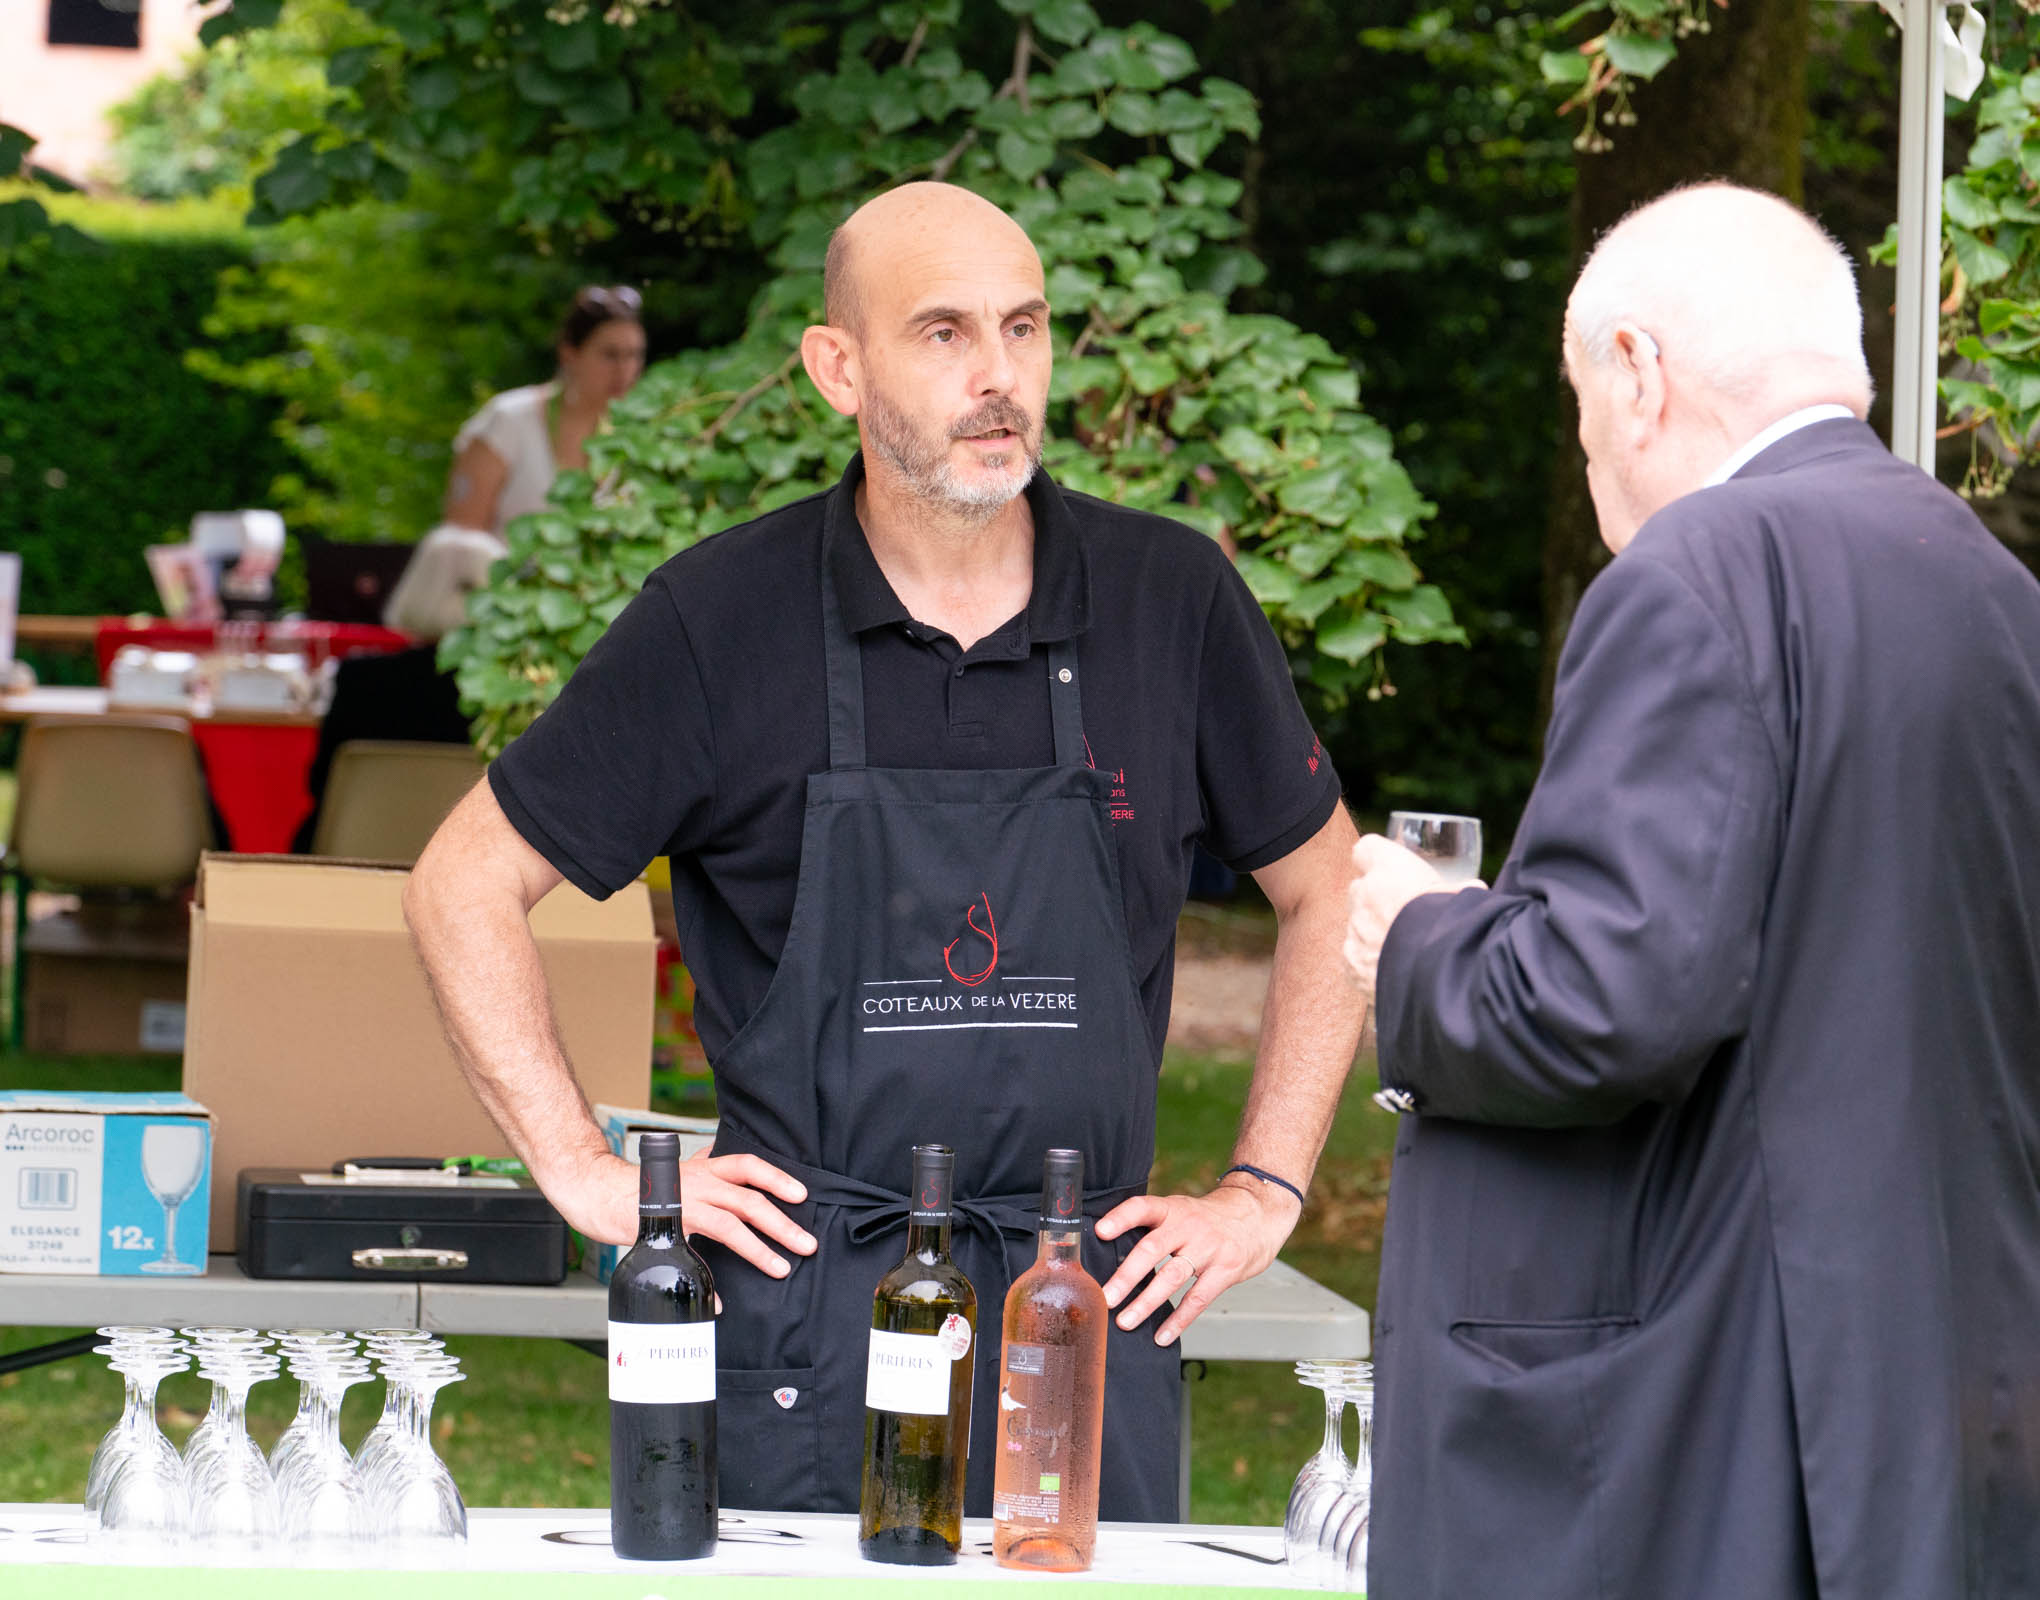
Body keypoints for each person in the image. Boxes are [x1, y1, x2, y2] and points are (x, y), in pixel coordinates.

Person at [404, 182, 1365, 1521]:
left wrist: (1261, 1185)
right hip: (807, 1325)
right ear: (834, 369)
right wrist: (580, 1167)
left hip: (1078, 1312)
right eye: (942, 333)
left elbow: (1329, 883)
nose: (996, 377)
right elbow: (463, 882)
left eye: (1023, 329)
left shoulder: (1168, 601)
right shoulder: (719, 619)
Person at [1343, 183, 2040, 1600]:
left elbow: (1601, 1003)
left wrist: (1413, 939)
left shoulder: (1700, 569)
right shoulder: (2020, 618)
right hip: (1947, 1491)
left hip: (1686, 1490)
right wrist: (1945, 1379)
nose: (1587, 449)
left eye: (1579, 401)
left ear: (1636, 372)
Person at [289, 526, 504, 852]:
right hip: (469, 857)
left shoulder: (359, 679)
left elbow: (320, 782)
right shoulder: (510, 691)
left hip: (347, 854)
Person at [444, 285, 647, 534]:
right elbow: (460, 541)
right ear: (569, 353)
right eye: (610, 355)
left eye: (634, 355)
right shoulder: (508, 420)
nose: (624, 370)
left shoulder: (638, 433)